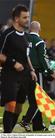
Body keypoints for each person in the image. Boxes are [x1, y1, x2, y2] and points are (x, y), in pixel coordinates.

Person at [15, 21, 55, 132]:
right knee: (38, 100)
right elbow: (43, 59)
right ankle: (25, 122)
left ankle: (38, 126)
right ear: (39, 29)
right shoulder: (39, 41)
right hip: (35, 72)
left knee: (32, 101)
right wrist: (51, 71)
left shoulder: (24, 38)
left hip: (22, 72)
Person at [0, 5, 37, 133]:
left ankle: (9, 132)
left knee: (19, 107)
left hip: (24, 75)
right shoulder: (7, 34)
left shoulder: (26, 36)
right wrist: (13, 62)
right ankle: (7, 134)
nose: (28, 20)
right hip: (9, 74)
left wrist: (32, 70)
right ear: (16, 19)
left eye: (28, 17)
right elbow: (0, 55)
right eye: (25, 17)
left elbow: (27, 56)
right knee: (10, 105)